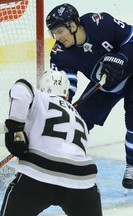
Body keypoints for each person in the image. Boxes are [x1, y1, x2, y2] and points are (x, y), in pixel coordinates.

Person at [46, 3, 133, 191]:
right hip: (104, 84)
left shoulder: (101, 23)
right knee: (78, 121)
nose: (57, 38)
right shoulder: (59, 54)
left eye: (60, 31)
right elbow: (67, 84)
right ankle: (68, 165)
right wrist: (63, 101)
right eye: (53, 33)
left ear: (73, 25)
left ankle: (132, 166)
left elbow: (131, 39)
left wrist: (122, 58)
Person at [0, 70, 102, 216]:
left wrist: (15, 128)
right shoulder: (79, 118)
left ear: (41, 87)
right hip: (82, 181)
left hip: (39, 173)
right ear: (66, 94)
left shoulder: (40, 97)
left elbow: (21, 88)